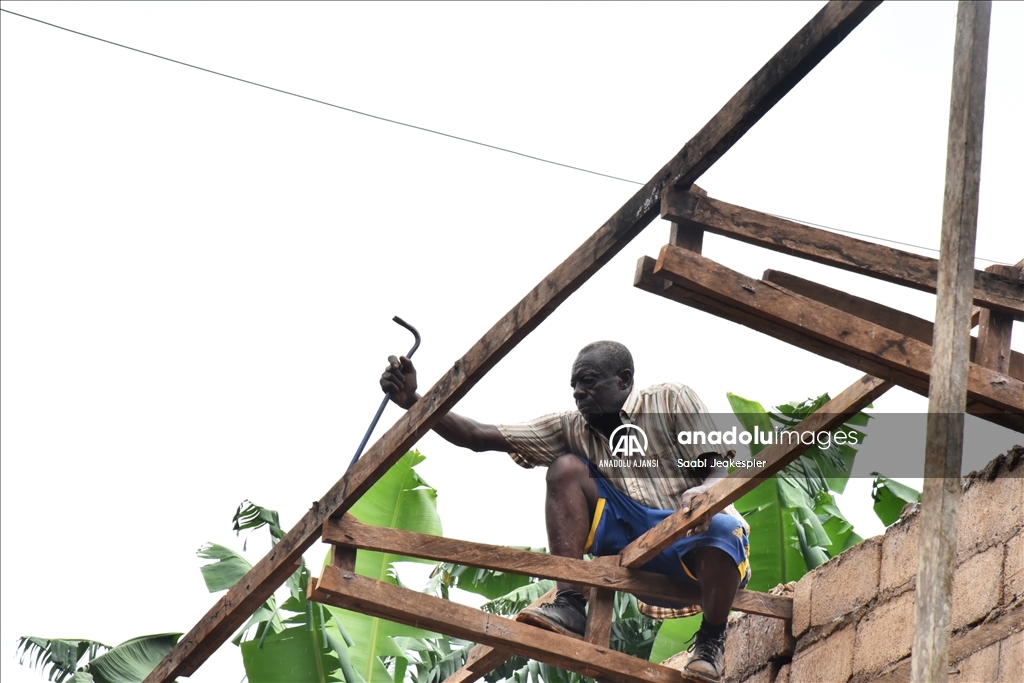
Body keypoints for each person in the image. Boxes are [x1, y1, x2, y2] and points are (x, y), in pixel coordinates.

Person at [380, 340, 750, 682]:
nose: (577, 393)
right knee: (565, 469)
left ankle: (711, 638)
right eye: (573, 385)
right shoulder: (571, 428)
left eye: (588, 382)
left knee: (723, 528)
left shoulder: (670, 399)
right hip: (642, 557)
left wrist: (703, 492)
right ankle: (571, 602)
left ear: (624, 380)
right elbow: (477, 435)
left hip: (700, 554)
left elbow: (720, 464)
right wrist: (415, 400)